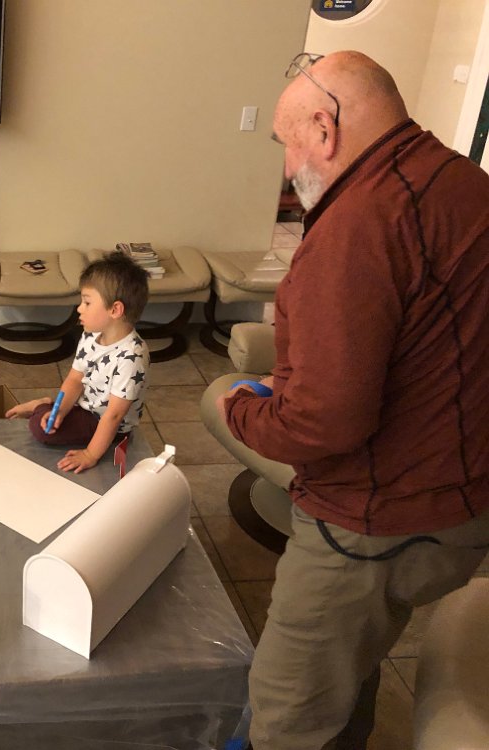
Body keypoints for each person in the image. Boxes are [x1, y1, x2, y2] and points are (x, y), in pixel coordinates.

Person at [215, 51, 489, 750]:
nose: (287, 168)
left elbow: (322, 421)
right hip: (461, 504)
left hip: (371, 523)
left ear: (324, 127)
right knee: (354, 665)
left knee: (288, 716)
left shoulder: (357, 227)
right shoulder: (464, 182)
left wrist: (242, 410)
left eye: (288, 144)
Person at [6, 252, 149, 473]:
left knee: (40, 429)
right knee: (47, 425)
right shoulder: (91, 335)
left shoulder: (132, 356)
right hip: (84, 408)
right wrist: (61, 411)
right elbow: (75, 379)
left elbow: (114, 415)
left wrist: (91, 454)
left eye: (87, 302)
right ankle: (47, 405)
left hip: (111, 426)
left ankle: (40, 405)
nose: (79, 308)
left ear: (115, 310)